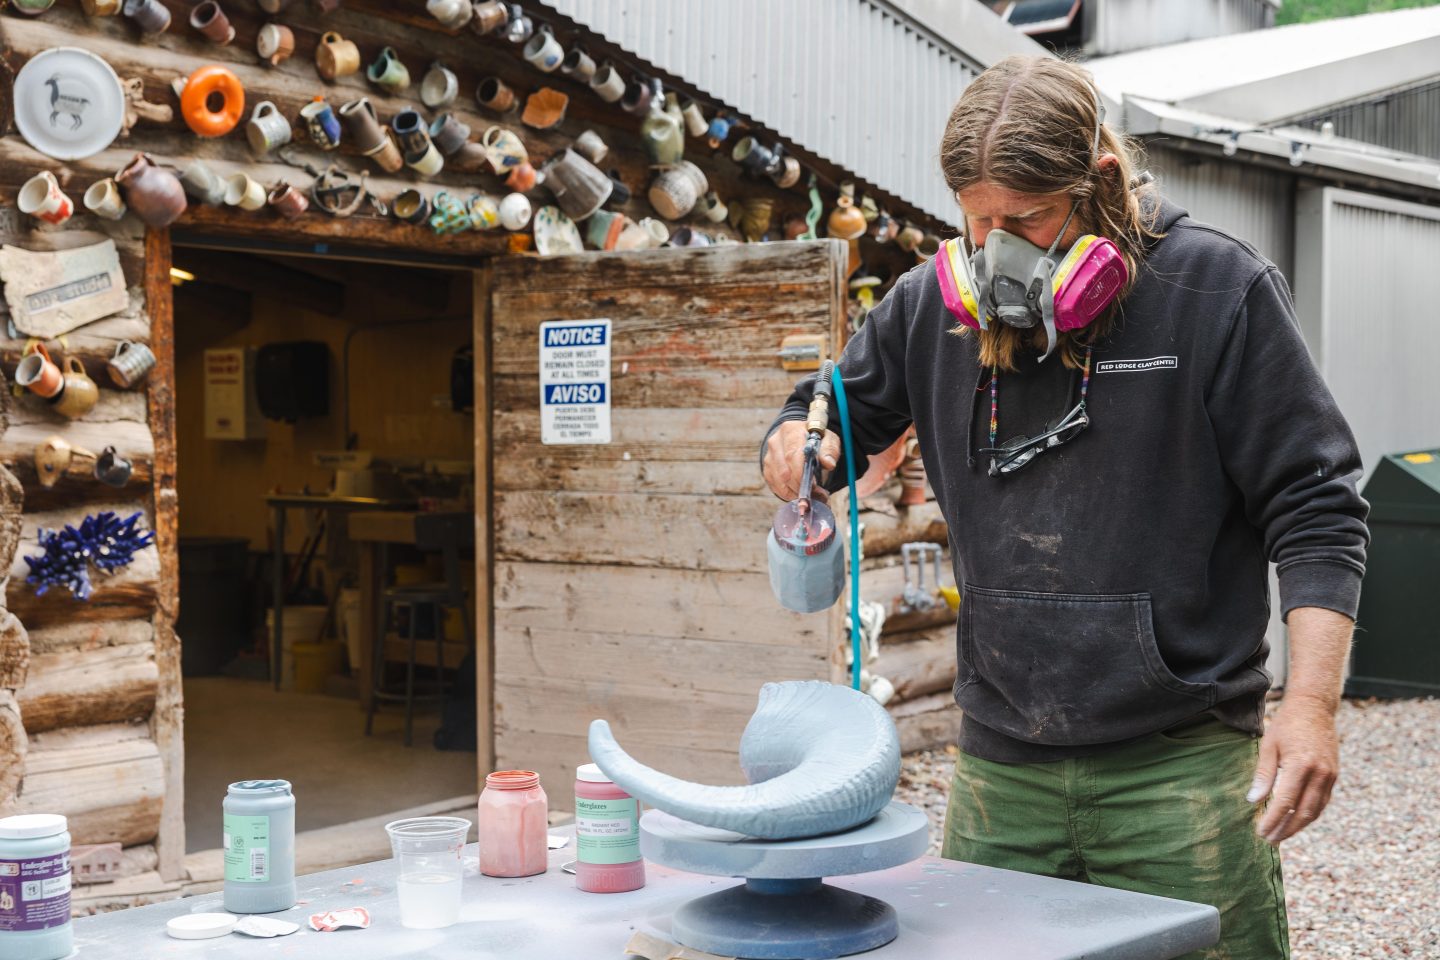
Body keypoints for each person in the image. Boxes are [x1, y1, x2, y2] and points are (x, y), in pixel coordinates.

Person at [762, 56, 1368, 959]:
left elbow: (1316, 505)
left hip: (1179, 771)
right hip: (1001, 769)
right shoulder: (934, 304)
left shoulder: (1217, 291)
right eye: (977, 221)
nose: (997, 248)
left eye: (1028, 219)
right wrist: (798, 441)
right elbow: (834, 407)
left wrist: (1310, 703)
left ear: (1102, 185)